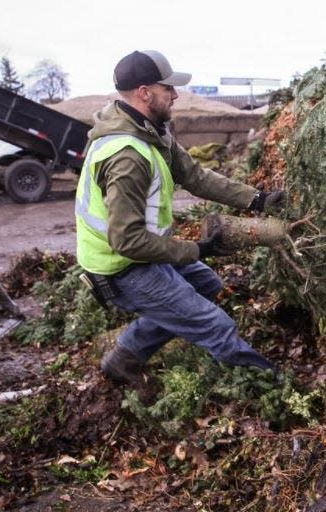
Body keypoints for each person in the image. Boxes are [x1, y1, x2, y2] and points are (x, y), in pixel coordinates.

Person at [75, 50, 284, 398]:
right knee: (214, 324)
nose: (174, 95)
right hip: (121, 267)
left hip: (142, 255)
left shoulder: (151, 132)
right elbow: (126, 240)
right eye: (167, 88)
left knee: (207, 284)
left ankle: (124, 356)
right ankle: (272, 386)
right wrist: (196, 249)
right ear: (144, 92)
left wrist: (257, 199)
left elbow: (195, 176)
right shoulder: (126, 155)